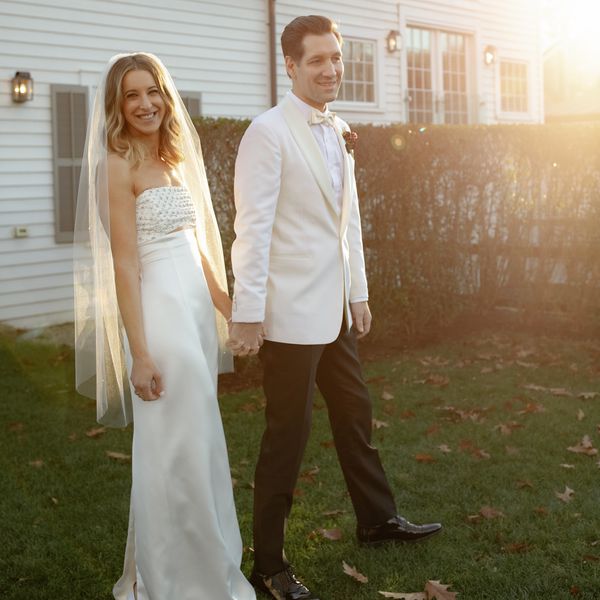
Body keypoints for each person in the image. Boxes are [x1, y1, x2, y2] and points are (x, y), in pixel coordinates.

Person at [229, 15, 442, 600]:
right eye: (317, 60)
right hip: (290, 318)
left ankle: (376, 520)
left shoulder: (341, 129)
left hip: (336, 313)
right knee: (286, 438)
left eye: (337, 58)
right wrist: (247, 312)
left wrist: (360, 292)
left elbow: (345, 222)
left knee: (355, 416)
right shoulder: (266, 133)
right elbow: (253, 229)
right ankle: (268, 565)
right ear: (291, 66)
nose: (331, 70)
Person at [73, 52, 256, 600]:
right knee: (174, 444)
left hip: (195, 311)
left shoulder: (172, 158)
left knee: (200, 441)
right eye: (132, 95)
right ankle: (176, 579)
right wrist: (141, 353)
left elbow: (195, 245)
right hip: (161, 316)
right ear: (117, 105)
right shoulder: (117, 165)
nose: (146, 103)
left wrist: (227, 307)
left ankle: (210, 563)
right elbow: (125, 265)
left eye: (152, 91)